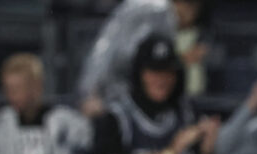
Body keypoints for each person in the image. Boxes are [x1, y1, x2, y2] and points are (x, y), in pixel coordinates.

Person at [77, 0, 208, 115]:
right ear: (190, 7)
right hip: (110, 95)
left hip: (115, 93)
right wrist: (90, 92)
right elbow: (130, 57)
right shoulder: (158, 12)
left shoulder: (155, 8)